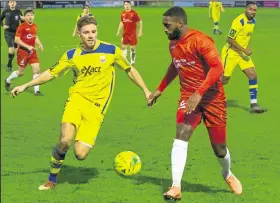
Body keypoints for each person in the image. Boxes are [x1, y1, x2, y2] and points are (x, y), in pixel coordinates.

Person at [11, 16, 151, 191]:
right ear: (79, 34)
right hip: (76, 101)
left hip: (96, 108)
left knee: (80, 154)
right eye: (86, 33)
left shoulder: (111, 50)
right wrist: (26, 85)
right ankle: (52, 179)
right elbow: (51, 73)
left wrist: (145, 90)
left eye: (93, 31)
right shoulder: (72, 55)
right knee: (65, 142)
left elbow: (130, 70)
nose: (90, 36)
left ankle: (64, 148)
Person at [148, 7, 242, 201]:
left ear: (180, 23)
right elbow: (175, 65)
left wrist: (199, 93)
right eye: (163, 25)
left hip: (213, 98)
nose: (164, 29)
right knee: (181, 134)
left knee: (219, 148)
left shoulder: (201, 40)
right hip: (188, 98)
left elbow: (218, 68)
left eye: (167, 25)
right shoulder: (173, 44)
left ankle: (227, 174)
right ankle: (175, 187)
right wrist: (160, 89)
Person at [221, 1, 267, 113]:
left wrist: (245, 49)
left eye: (254, 10)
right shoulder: (239, 21)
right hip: (230, 52)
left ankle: (254, 105)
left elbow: (244, 37)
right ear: (245, 9)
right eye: (250, 9)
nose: (252, 12)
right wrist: (244, 49)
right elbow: (229, 39)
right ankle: (204, 95)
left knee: (253, 75)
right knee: (224, 79)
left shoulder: (253, 21)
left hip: (242, 54)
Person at [5, 8, 43, 96]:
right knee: (21, 72)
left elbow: (34, 36)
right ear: (24, 17)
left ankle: (36, 91)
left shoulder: (35, 26)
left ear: (34, 16)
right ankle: (8, 80)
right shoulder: (21, 27)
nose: (30, 17)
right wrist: (27, 46)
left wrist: (39, 43)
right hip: (22, 52)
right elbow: (17, 40)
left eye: (31, 15)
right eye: (28, 15)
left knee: (36, 69)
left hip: (32, 52)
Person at [0, 1, 24, 71]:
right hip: (8, 33)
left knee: (15, 50)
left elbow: (22, 22)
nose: (12, 3)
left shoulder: (18, 11)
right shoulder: (5, 11)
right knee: (11, 49)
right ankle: (9, 66)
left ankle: (9, 64)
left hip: (16, 34)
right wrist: (3, 25)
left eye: (13, 2)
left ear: (15, 3)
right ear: (9, 4)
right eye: (11, 2)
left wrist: (24, 20)